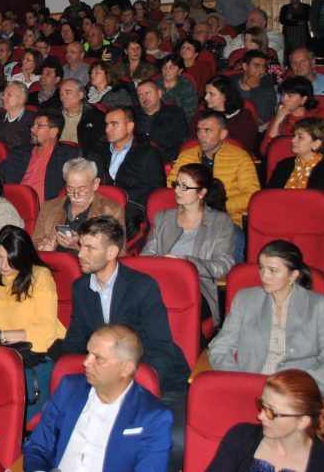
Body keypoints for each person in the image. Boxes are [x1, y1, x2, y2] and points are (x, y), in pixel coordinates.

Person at [62, 216, 190, 392]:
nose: (80, 254)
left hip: (155, 381)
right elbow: (75, 339)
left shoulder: (142, 287)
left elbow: (160, 348)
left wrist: (129, 387)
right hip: (104, 379)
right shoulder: (81, 287)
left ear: (111, 253)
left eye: (89, 248)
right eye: (81, 246)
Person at [23, 324, 172, 472]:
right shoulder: (69, 389)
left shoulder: (153, 416)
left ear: (126, 368)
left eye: (98, 358)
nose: (86, 362)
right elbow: (38, 447)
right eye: (88, 353)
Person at [208, 240, 324, 394]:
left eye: (273, 271)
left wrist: (295, 389)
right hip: (250, 388)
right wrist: (239, 382)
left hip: (294, 393)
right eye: (261, 268)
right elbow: (220, 349)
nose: (264, 276)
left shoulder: (319, 306)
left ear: (293, 275)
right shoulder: (244, 300)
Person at [0, 226, 66, 417]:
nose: (3, 265)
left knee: (10, 410)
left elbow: (45, 330)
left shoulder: (40, 276)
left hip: (40, 352)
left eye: (10, 259)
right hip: (3, 351)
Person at [142, 164, 236, 324]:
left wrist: (185, 263)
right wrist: (164, 264)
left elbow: (222, 265)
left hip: (199, 288)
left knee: (168, 312)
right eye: (176, 184)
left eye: (184, 186)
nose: (177, 190)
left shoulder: (221, 222)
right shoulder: (163, 218)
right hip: (161, 283)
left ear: (202, 192)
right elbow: (146, 257)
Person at [207, 369, 324, 472]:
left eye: (272, 412)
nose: (260, 416)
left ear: (302, 422)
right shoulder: (240, 437)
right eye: (262, 405)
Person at [266, 117, 324, 270]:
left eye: (300, 137)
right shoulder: (284, 165)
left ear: (316, 143)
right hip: (283, 224)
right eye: (294, 135)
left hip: (319, 227)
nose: (293, 140)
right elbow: (269, 197)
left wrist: (305, 216)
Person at [170, 110, 260, 228]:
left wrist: (220, 207)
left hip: (228, 219)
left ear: (223, 134)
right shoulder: (186, 156)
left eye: (207, 130)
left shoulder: (240, 157)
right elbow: (171, 187)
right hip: (190, 218)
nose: (200, 135)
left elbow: (252, 195)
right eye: (198, 130)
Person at [95, 107, 166, 234]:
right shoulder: (98, 150)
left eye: (114, 124)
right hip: (100, 208)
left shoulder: (147, 153)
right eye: (106, 124)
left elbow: (157, 190)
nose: (107, 129)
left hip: (131, 213)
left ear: (129, 126)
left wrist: (123, 197)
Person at [32, 158, 126, 252]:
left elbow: (118, 253)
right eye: (70, 188)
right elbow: (33, 243)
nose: (76, 195)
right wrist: (41, 249)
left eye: (82, 188)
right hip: (52, 261)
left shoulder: (112, 211)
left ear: (95, 184)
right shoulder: (48, 208)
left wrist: (79, 246)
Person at [260, 75, 324, 157]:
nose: (284, 99)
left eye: (290, 95)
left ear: (304, 99)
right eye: (282, 95)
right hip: (286, 163)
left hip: (317, 162)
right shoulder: (279, 118)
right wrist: (276, 122)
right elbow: (266, 152)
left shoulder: (322, 116)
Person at [189, 75, 259, 154]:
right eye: (206, 93)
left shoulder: (244, 118)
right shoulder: (201, 116)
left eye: (211, 94)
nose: (206, 97)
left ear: (225, 96)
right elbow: (192, 143)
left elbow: (246, 148)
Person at [134, 79, 188, 163]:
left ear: (159, 93)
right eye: (140, 96)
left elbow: (179, 144)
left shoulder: (175, 113)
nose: (144, 98)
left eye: (148, 93)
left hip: (163, 161)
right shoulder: (132, 114)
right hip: (135, 160)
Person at [0, 81, 36, 150]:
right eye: (3, 94)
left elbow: (23, 146)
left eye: (9, 94)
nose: (3, 98)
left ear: (21, 99)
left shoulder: (33, 120)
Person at [238, 50, 278, 126]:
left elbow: (263, 118)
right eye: (257, 66)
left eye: (264, 67)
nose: (261, 71)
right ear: (245, 66)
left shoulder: (268, 88)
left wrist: (256, 88)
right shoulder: (230, 83)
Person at [156, 54, 199, 121]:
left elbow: (190, 113)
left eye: (172, 67)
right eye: (164, 67)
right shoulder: (155, 84)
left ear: (180, 70)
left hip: (180, 122)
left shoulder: (186, 86)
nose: (167, 70)